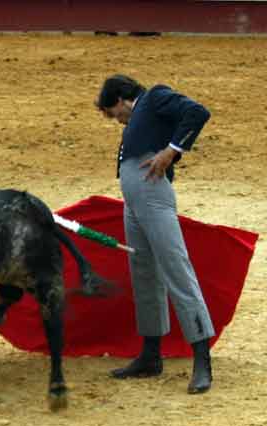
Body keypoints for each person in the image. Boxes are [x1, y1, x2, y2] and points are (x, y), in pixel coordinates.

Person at [95, 74, 215, 394]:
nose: (115, 119)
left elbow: (198, 112)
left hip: (151, 192)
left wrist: (171, 151)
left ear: (121, 99)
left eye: (112, 112)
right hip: (133, 199)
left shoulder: (155, 96)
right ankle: (150, 355)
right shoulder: (142, 115)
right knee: (144, 272)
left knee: (176, 268)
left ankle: (202, 360)